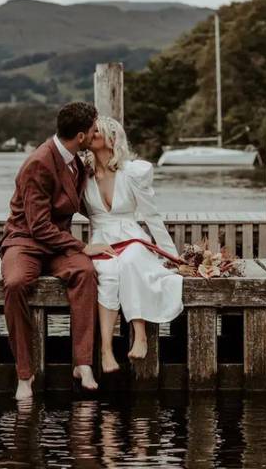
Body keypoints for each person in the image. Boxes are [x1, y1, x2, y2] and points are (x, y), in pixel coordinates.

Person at [0, 102, 116, 400]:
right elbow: (38, 226)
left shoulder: (77, 161)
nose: (95, 133)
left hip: (58, 243)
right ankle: (24, 374)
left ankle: (83, 363)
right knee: (14, 284)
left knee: (85, 272)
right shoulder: (39, 163)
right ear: (80, 136)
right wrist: (83, 246)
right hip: (26, 241)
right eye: (92, 130)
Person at [83, 116, 183, 373]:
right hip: (101, 238)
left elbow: (152, 215)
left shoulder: (132, 173)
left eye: (97, 132)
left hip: (132, 236)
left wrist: (172, 257)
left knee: (129, 261)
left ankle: (140, 334)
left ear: (112, 139)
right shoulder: (83, 174)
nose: (91, 135)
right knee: (107, 274)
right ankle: (106, 349)